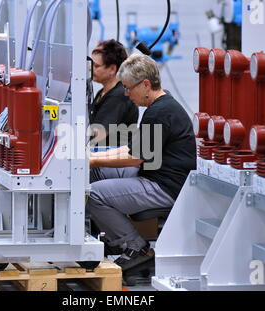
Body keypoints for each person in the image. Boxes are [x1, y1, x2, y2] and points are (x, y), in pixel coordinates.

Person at [86, 53, 197, 271]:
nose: (126, 94)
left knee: (94, 194)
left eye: (128, 88)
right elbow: (132, 149)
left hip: (165, 186)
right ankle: (111, 236)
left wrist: (92, 160)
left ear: (146, 84)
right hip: (152, 174)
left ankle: (136, 247)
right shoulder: (160, 106)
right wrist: (92, 158)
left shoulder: (159, 112)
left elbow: (135, 158)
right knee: (96, 173)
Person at [89, 40, 139, 147]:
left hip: (111, 157)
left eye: (96, 66)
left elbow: (98, 133)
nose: (90, 68)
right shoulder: (103, 92)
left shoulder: (119, 96)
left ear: (112, 69)